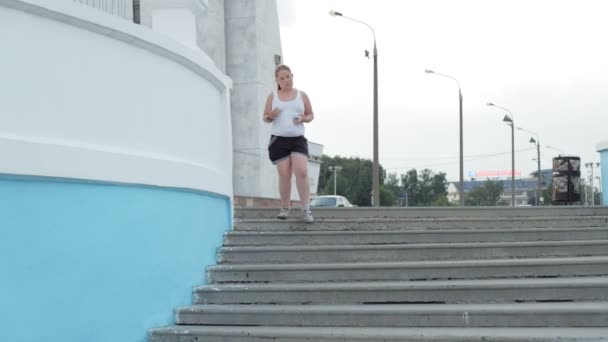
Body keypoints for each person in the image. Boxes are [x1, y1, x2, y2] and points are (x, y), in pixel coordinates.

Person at [263, 64, 315, 223]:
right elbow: (265, 117)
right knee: (284, 175)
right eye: (282, 78)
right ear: (277, 81)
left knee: (302, 171)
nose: (286, 80)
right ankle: (285, 208)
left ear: (292, 76)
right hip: (279, 140)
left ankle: (306, 209)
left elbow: (311, 114)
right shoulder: (273, 96)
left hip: (298, 139)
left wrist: (304, 119)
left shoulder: (302, 95)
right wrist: (270, 115)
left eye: (288, 76)